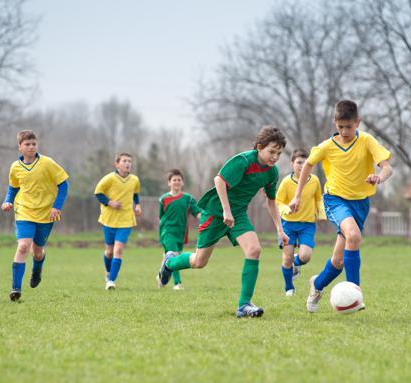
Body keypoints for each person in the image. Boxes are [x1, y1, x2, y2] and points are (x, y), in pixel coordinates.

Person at [158, 126, 289, 318]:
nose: (275, 157)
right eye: (272, 152)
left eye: (279, 153)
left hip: (238, 215)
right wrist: (226, 210)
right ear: (259, 147)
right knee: (199, 261)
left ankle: (244, 305)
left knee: (254, 250)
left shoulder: (271, 172)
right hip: (215, 213)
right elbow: (219, 181)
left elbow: (271, 200)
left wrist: (280, 228)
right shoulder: (243, 161)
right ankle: (170, 262)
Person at [289, 100, 392, 313]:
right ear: (335, 123)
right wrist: (297, 196)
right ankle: (356, 293)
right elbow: (308, 165)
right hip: (335, 200)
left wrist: (379, 178)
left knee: (338, 261)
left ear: (358, 122)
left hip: (360, 204)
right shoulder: (327, 146)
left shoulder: (367, 141)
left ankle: (316, 285)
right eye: (340, 127)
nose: (344, 131)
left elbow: (387, 168)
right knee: (353, 236)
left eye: (349, 127)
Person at [2, 130, 69, 302]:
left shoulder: (47, 163)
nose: (31, 147)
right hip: (24, 211)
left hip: (46, 214)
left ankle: (37, 268)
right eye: (27, 144)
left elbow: (63, 184)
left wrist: (56, 207)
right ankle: (16, 289)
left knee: (37, 252)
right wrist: (8, 201)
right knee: (23, 246)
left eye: (33, 144)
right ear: (20, 147)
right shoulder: (15, 167)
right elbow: (13, 188)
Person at [275, 148, 325, 296]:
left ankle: (296, 263)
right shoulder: (286, 182)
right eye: (299, 162)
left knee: (305, 256)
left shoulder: (314, 180)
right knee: (286, 257)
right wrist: (286, 210)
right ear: (292, 164)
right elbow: (278, 202)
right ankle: (289, 288)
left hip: (307, 225)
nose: (302, 166)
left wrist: (321, 213)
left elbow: (318, 199)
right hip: (288, 225)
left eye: (306, 163)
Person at [94, 153, 141, 290]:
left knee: (118, 249)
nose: (128, 164)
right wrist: (109, 202)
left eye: (129, 161)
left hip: (126, 220)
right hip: (109, 220)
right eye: (124, 161)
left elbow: (135, 193)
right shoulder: (109, 179)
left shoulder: (134, 180)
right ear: (117, 164)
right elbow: (98, 193)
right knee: (109, 251)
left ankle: (111, 281)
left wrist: (137, 205)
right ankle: (108, 272)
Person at [157, 169, 201, 290]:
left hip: (181, 233)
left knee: (170, 256)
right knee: (174, 255)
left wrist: (205, 219)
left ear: (182, 183)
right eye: (174, 180)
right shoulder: (163, 199)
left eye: (179, 180)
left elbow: (197, 212)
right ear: (169, 183)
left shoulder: (188, 198)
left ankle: (161, 276)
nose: (176, 182)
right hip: (167, 232)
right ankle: (177, 283)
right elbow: (161, 216)